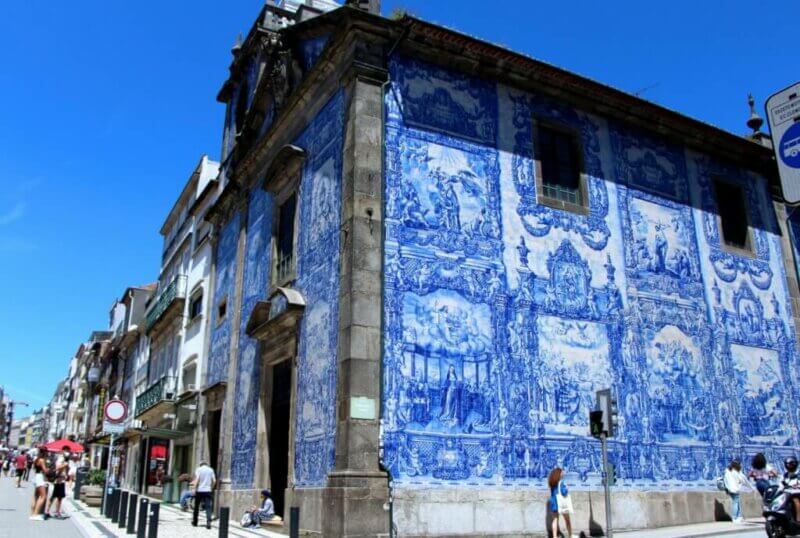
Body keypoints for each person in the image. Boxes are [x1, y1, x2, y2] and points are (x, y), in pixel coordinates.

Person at [548, 467, 574, 538]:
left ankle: (554, 536)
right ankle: (570, 535)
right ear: (559, 474)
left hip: (554, 504)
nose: (563, 473)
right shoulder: (561, 483)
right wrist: (567, 488)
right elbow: (564, 493)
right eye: (562, 472)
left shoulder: (552, 482)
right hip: (561, 504)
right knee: (567, 520)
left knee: (555, 520)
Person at [191, 461, 216, 529]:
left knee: (196, 506)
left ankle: (195, 521)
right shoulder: (211, 470)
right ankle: (208, 522)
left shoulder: (199, 469)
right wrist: (211, 488)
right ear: (206, 464)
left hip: (200, 490)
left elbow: (197, 479)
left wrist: (194, 488)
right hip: (208, 490)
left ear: (200, 465)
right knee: (208, 507)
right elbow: (214, 481)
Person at [723, 459, 749, 523]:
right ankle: (734, 517)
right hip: (735, 489)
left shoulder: (727, 471)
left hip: (730, 489)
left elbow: (726, 480)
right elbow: (742, 479)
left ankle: (739, 516)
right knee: (735, 502)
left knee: (737, 502)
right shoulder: (736, 472)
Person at [47, 451, 69, 518]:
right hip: (59, 481)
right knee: (58, 497)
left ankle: (48, 511)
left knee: (56, 496)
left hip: (60, 480)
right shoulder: (61, 460)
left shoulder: (60, 459)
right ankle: (56, 512)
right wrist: (65, 465)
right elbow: (58, 468)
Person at [30, 449, 50, 521]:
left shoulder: (36, 459)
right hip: (41, 477)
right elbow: (45, 471)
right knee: (43, 496)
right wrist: (48, 469)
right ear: (44, 452)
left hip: (36, 476)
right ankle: (35, 514)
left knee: (35, 496)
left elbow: (33, 468)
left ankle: (32, 513)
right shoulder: (42, 460)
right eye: (46, 452)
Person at [782, 456, 800, 522]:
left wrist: (797, 486)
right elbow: (781, 483)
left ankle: (798, 519)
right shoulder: (785, 475)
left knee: (796, 501)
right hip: (788, 493)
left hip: (797, 493)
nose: (789, 466)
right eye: (788, 464)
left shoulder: (798, 474)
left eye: (791, 464)